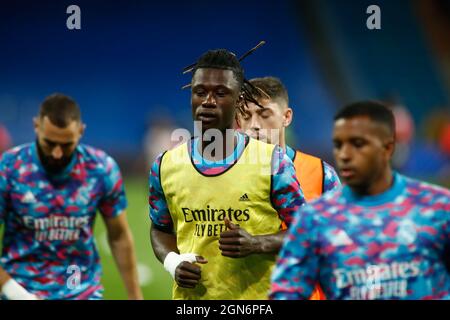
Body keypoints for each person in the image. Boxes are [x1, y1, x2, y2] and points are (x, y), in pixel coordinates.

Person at [149, 48, 306, 299]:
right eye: (200, 92)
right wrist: (172, 261)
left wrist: (258, 243)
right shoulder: (165, 165)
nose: (208, 101)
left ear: (238, 100)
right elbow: (160, 228)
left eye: (220, 93)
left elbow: (306, 232)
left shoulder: (273, 162)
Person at [270, 100, 450, 300]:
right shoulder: (314, 219)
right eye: (339, 144)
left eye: (358, 143)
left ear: (388, 147)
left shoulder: (437, 208)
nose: (345, 155)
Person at [0, 93, 143, 300]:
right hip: (19, 290)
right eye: (49, 143)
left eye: (66, 145)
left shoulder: (101, 168)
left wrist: (135, 297)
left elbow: (119, 236)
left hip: (81, 291)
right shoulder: (9, 168)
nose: (57, 153)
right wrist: (16, 292)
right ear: (36, 127)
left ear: (81, 132)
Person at [236, 76, 341, 299]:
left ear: (286, 117)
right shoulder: (223, 175)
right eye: (246, 116)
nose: (254, 125)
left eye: (264, 114)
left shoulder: (321, 175)